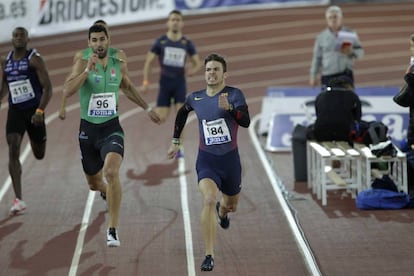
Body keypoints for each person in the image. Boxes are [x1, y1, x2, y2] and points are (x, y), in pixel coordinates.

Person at [63, 24, 160, 247]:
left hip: (111, 128)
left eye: (102, 39)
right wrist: (87, 71)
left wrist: (146, 108)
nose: (98, 44)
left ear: (109, 40)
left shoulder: (119, 60)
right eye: (94, 40)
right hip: (88, 131)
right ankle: (106, 191)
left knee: (111, 171)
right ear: (89, 43)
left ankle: (113, 229)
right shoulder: (82, 60)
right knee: (94, 183)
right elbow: (67, 90)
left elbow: (126, 85)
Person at [167, 53, 250, 271]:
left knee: (230, 205)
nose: (211, 73)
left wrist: (230, 109)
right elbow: (182, 114)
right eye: (208, 70)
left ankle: (223, 215)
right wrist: (175, 141)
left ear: (224, 74)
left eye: (215, 69)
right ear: (204, 74)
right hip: (207, 161)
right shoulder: (195, 98)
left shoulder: (234, 94)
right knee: (209, 199)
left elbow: (247, 122)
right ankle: (209, 254)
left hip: (230, 162)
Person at [0, 27, 53, 215]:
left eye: (22, 35)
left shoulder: (34, 59)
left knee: (39, 153)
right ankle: (18, 199)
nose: (19, 38)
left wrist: (40, 111)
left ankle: (35, 137)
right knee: (13, 148)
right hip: (15, 111)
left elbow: (48, 87)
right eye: (15, 35)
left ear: (27, 39)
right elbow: (5, 86)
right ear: (12, 39)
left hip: (34, 112)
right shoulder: (5, 61)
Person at [142, 9, 202, 124]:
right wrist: (145, 81)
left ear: (182, 23)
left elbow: (197, 62)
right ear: (168, 23)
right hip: (165, 83)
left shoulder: (186, 42)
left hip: (179, 83)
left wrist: (193, 71)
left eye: (178, 20)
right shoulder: (161, 42)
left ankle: (179, 143)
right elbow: (148, 62)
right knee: (160, 119)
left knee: (181, 118)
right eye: (173, 19)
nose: (175, 22)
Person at [59, 19, 126, 120]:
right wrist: (62, 107)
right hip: (90, 108)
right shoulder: (81, 56)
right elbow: (69, 80)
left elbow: (125, 81)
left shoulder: (117, 55)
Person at [309, 5, 364, 90]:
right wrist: (313, 76)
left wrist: (351, 52)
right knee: (328, 101)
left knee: (347, 101)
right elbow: (317, 58)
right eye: (330, 17)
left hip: (345, 75)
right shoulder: (321, 37)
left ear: (341, 18)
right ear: (326, 20)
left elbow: (360, 52)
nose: (333, 20)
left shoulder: (350, 33)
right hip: (328, 75)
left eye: (335, 17)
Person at [311, 76, 362, 142]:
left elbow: (319, 115)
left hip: (321, 134)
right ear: (347, 86)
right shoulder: (352, 96)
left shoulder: (320, 96)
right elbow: (358, 118)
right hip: (345, 134)